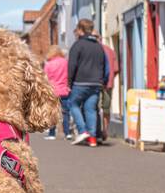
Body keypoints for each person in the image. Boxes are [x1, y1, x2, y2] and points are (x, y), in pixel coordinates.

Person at [66, 19, 108, 147]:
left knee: (72, 104)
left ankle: (82, 130)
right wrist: (102, 81)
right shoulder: (99, 46)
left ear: (80, 30)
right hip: (96, 83)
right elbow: (105, 65)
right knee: (90, 109)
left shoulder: (78, 45)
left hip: (80, 82)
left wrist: (69, 82)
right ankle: (93, 139)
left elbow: (72, 65)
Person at [42, 47, 70, 140]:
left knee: (52, 113)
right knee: (65, 112)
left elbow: (45, 79)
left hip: (53, 91)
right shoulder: (66, 62)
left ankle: (52, 134)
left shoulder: (49, 64)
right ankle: (67, 133)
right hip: (64, 90)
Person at [97, 37, 119, 142]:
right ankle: (105, 129)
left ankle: (96, 131)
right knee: (106, 108)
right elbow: (115, 69)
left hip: (94, 84)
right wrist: (110, 79)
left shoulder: (93, 49)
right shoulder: (110, 50)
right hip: (108, 84)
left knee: (93, 108)